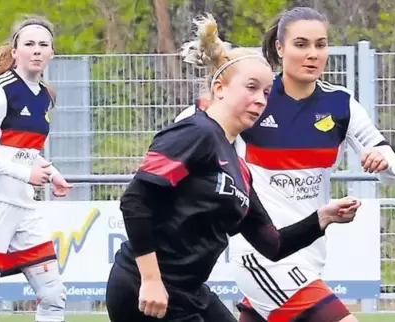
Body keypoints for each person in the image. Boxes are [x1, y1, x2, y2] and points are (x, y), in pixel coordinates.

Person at [106, 13, 362, 322]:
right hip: (144, 289)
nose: (259, 100)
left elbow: (273, 244)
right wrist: (150, 279)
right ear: (220, 87)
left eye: (266, 93)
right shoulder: (195, 132)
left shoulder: (239, 170)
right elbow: (135, 201)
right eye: (251, 87)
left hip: (190, 292)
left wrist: (324, 216)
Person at [175, 7, 395, 322]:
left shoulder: (340, 104)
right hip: (263, 256)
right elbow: (184, 127)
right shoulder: (256, 98)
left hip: (309, 254)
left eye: (320, 45)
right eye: (301, 44)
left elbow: (393, 170)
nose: (312, 54)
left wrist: (383, 161)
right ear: (280, 48)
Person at [0, 16, 71, 322]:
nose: (36, 50)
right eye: (28, 44)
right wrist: (28, 175)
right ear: (15, 51)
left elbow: (26, 152)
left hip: (24, 209)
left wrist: (51, 172)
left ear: (52, 53)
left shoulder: (44, 96)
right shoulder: (2, 90)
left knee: (54, 296)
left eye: (43, 45)